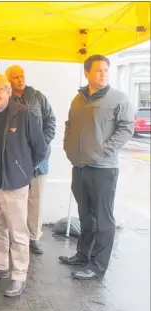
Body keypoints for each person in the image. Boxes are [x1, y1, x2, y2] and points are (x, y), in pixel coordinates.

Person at [61, 55, 135, 280]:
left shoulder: (119, 99)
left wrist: (104, 150)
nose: (103, 74)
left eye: (105, 70)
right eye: (98, 70)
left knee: (103, 218)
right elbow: (70, 124)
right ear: (87, 73)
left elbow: (126, 129)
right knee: (85, 215)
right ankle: (83, 256)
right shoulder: (78, 98)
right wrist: (68, 147)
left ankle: (98, 265)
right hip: (80, 166)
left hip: (103, 168)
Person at [0, 74, 47, 297]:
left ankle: (19, 276)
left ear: (8, 91)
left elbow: (40, 149)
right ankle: (0, 266)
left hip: (14, 185)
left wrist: (23, 170)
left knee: (18, 233)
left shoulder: (24, 114)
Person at [5, 65, 56, 254]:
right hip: (16, 160)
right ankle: (16, 237)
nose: (20, 79)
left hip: (39, 159)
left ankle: (33, 237)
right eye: (15, 77)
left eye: (22, 76)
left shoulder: (37, 97)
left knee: (37, 199)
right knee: (15, 201)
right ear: (9, 80)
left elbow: (50, 120)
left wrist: (42, 143)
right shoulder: (7, 99)